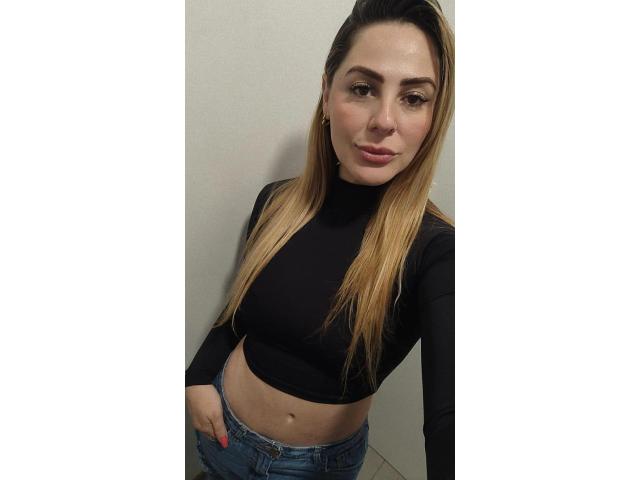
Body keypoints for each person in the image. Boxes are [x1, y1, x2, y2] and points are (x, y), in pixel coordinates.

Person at [185, 0, 455, 478]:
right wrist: (197, 377)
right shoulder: (276, 202)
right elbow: (239, 312)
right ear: (327, 93)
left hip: (317, 468)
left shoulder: (438, 251)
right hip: (221, 429)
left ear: (435, 117)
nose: (385, 120)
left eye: (414, 97)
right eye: (363, 88)